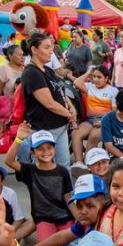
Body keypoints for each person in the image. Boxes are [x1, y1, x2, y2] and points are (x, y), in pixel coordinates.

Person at [18, 33, 77, 168]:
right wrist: (69, 114)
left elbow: (60, 92)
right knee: (43, 166)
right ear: (34, 49)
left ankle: (65, 190)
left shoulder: (48, 70)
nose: (51, 51)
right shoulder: (32, 73)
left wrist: (71, 106)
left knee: (64, 165)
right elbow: (49, 103)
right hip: (44, 129)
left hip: (60, 127)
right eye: (46, 47)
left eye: (51, 47)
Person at [6, 127, 74, 242]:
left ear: (55, 149)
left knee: (69, 245)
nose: (46, 152)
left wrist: (78, 219)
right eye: (40, 149)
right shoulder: (29, 170)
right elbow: (9, 161)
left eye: (49, 147)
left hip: (64, 217)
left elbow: (68, 198)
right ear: (32, 153)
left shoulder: (63, 171)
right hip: (43, 219)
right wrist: (18, 139)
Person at [71, 65, 117, 169]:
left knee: (94, 136)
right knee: (76, 133)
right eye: (94, 76)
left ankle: (89, 164)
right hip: (90, 120)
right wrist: (88, 72)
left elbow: (114, 112)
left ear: (106, 78)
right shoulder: (89, 86)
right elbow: (76, 83)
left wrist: (103, 122)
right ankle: (79, 163)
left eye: (99, 77)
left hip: (105, 121)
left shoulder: (113, 91)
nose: (96, 80)